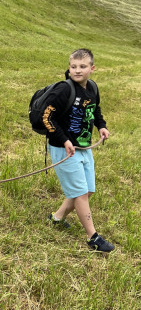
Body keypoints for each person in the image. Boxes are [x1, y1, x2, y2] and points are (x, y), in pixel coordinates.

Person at [43, 48, 114, 252]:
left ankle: (56, 218)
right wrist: (63, 139)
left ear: (92, 68)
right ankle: (93, 237)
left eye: (82, 66)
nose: (77, 70)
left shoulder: (92, 87)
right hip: (64, 149)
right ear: (69, 67)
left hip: (83, 147)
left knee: (88, 190)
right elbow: (47, 118)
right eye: (73, 66)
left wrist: (101, 125)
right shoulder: (64, 90)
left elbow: (95, 109)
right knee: (81, 193)